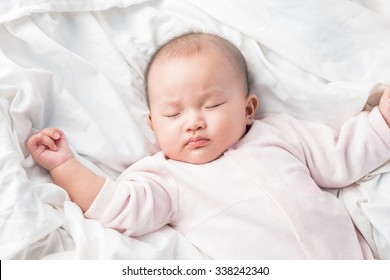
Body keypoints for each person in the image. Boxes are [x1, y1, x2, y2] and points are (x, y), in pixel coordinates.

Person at [27, 32, 390, 259]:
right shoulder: (165, 176)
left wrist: (384, 119)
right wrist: (65, 165)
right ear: (153, 125)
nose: (194, 121)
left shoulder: (279, 134)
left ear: (248, 109)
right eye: (172, 114)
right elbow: (120, 208)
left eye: (212, 105)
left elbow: (343, 155)